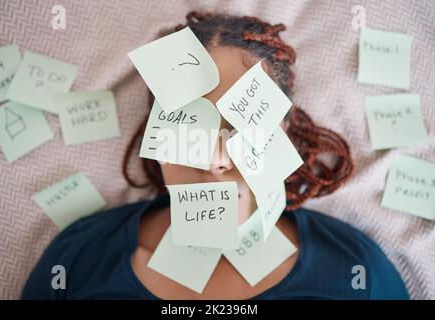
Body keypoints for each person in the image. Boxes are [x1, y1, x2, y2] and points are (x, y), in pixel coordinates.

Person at [21, 12, 409, 300]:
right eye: (190, 125)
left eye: (241, 126)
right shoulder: (77, 261)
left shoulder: (358, 272)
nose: (215, 161)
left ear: (285, 130)